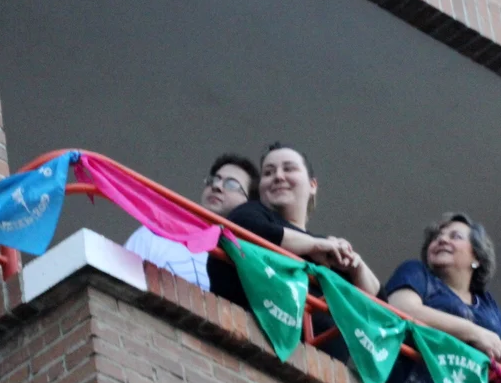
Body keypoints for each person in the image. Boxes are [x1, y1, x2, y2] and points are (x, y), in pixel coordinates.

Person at [208, 143, 380, 338]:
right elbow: (246, 228)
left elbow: (382, 311)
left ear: (313, 185)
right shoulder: (251, 213)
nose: (278, 176)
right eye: (268, 173)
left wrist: (357, 269)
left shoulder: (326, 246)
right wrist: (314, 246)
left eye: (289, 169)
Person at [383, 213, 501, 383]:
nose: (442, 240)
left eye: (455, 236)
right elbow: (402, 309)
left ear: (477, 257)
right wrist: (473, 333)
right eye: (437, 237)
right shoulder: (417, 273)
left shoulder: (488, 305)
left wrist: (493, 346)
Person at [124, 153, 256, 289]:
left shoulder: (247, 266)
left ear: (250, 205)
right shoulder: (155, 234)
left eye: (231, 184)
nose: (216, 186)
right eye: (213, 180)